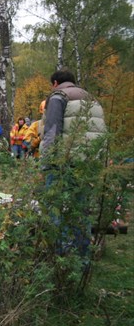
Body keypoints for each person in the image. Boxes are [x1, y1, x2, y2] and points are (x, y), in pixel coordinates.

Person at [40, 69, 107, 259]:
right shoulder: (92, 99)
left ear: (55, 83)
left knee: (54, 206)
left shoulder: (58, 97)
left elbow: (52, 132)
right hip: (88, 163)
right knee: (80, 209)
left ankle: (58, 254)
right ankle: (82, 257)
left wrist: (46, 163)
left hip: (63, 163)